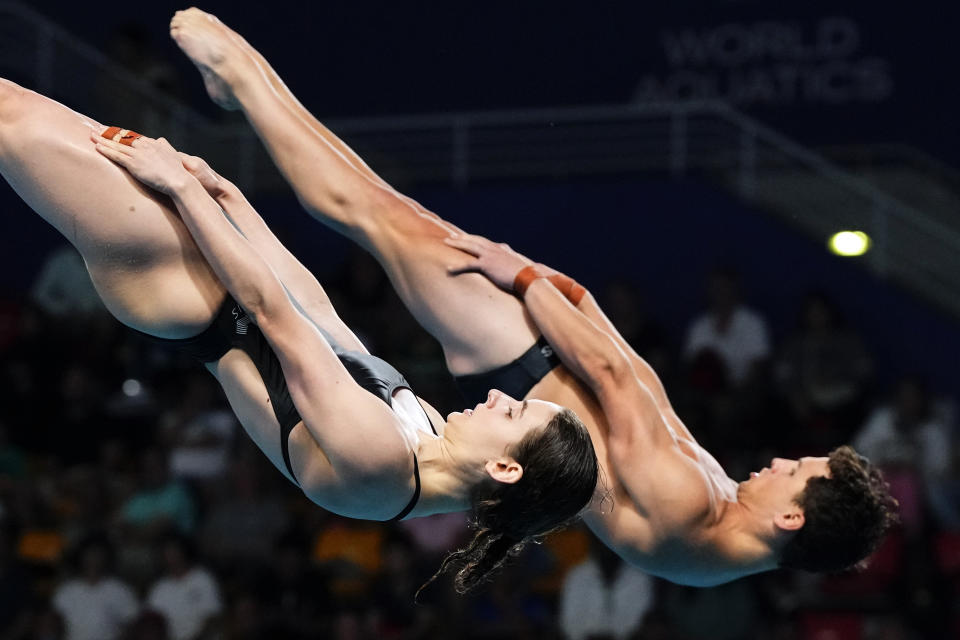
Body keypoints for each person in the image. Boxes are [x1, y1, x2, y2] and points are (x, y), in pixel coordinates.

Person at [167, 8, 898, 585]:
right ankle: (247, 90)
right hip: (540, 354)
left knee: (374, 211)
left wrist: (524, 278)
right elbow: (631, 380)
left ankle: (242, 81)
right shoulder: (710, 540)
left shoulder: (689, 510)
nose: (779, 463)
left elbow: (614, 379)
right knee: (383, 213)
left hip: (525, 361)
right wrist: (576, 298)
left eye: (796, 474)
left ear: (793, 520)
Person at [0, 77, 598, 592]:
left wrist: (183, 191)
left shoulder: (379, 468)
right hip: (215, 256)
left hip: (180, 284)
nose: (499, 396)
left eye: (514, 412)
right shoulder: (431, 434)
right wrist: (226, 197)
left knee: (11, 120)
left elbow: (272, 313)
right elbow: (316, 312)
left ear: (505, 468)